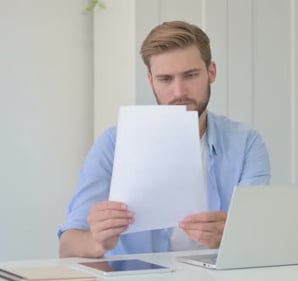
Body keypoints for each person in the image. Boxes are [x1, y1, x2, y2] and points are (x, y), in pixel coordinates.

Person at [58, 21, 271, 258]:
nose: (179, 92)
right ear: (151, 80)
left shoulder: (246, 145)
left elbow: (259, 245)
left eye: (190, 75)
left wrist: (229, 239)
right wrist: (98, 242)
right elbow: (68, 246)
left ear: (211, 72)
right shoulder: (113, 143)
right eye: (165, 79)